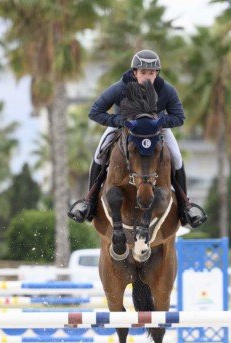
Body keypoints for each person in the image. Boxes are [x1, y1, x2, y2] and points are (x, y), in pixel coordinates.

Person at [67, 49, 207, 228]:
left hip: (156, 131)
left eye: (151, 72)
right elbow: (95, 112)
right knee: (99, 155)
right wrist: (119, 121)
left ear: (156, 73)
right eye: (143, 72)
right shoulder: (120, 88)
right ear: (135, 72)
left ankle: (184, 207)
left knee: (177, 158)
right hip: (124, 128)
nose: (147, 76)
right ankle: (90, 202)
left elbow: (179, 117)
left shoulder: (166, 90)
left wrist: (159, 122)